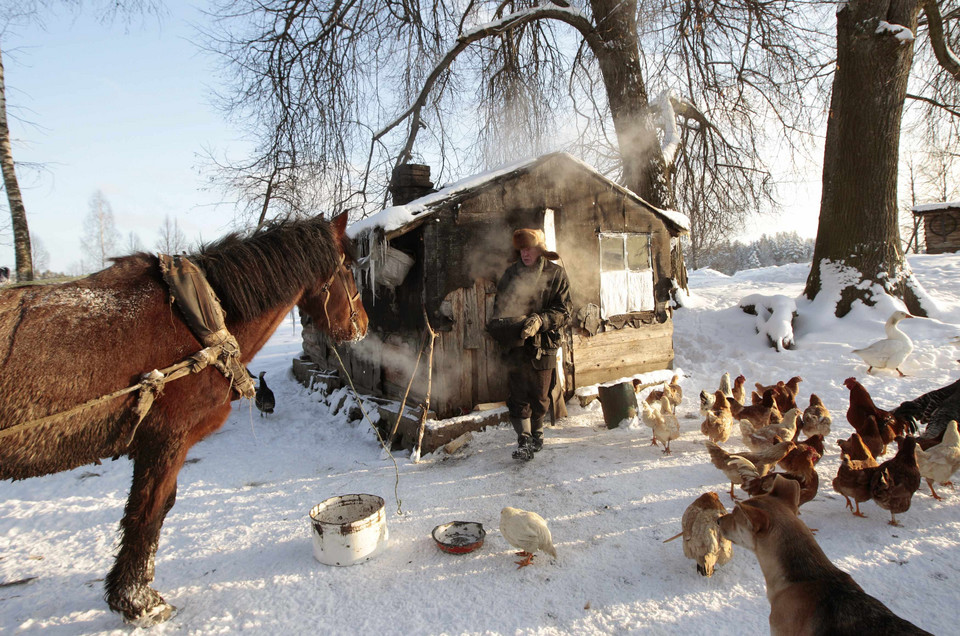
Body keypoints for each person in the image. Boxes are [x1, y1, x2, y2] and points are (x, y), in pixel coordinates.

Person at [487, 228, 571, 461]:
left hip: (544, 344)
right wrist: (504, 325)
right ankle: (524, 438)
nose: (525, 253)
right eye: (522, 249)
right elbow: (499, 306)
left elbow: (564, 312)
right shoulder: (510, 274)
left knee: (540, 394)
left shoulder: (556, 274)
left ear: (540, 250)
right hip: (516, 343)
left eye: (530, 249)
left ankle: (538, 434)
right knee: (518, 393)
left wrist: (541, 320)